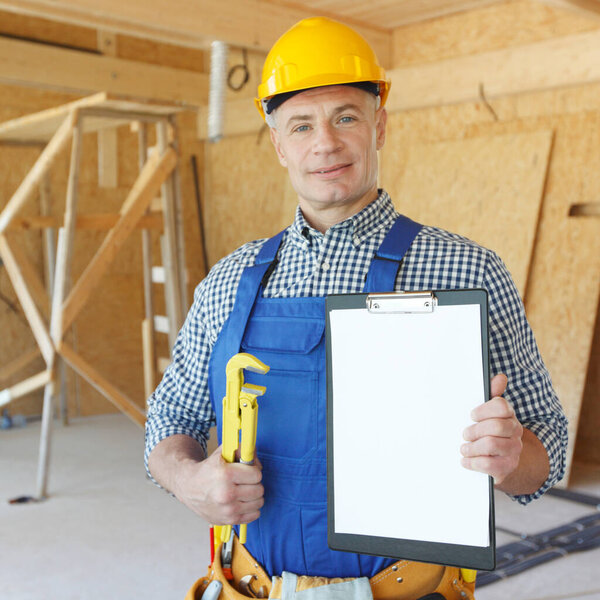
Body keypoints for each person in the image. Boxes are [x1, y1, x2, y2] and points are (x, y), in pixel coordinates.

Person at [145, 16, 568, 600]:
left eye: (346, 116)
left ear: (380, 125)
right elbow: (169, 421)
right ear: (278, 145)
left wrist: (510, 455)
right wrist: (188, 479)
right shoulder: (229, 281)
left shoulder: (467, 270)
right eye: (301, 125)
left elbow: (548, 447)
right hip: (250, 587)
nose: (325, 143)